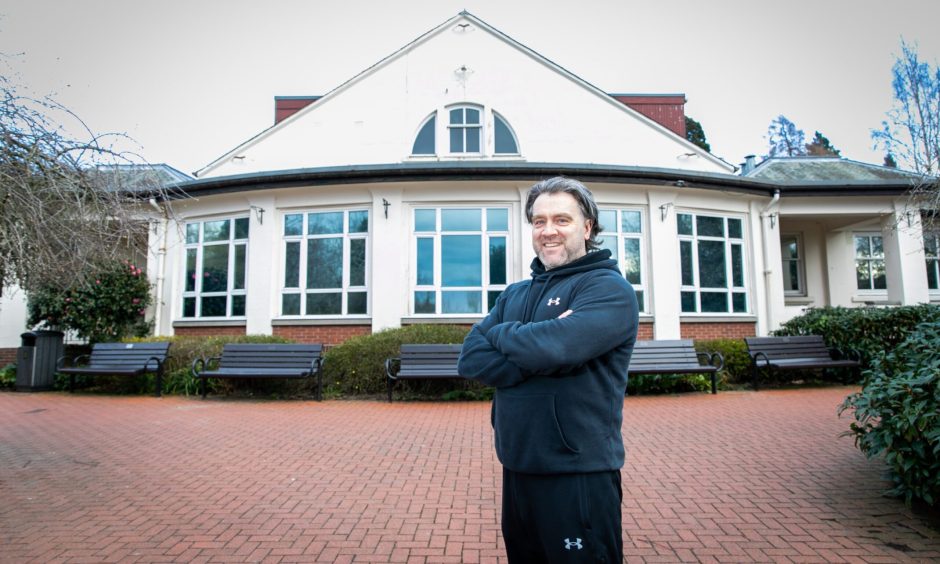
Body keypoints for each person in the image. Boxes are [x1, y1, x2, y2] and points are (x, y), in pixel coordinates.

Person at [458, 176, 639, 563]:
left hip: (578, 472)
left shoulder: (607, 289)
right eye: (539, 221)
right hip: (518, 465)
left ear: (587, 227)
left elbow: (556, 349)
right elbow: (471, 358)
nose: (548, 231)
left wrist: (505, 334)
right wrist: (535, 343)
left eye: (562, 219)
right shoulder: (515, 293)